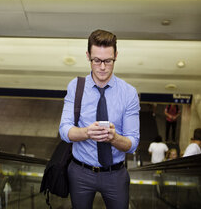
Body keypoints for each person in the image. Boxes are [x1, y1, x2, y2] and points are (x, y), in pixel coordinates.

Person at [59, 29, 140, 209]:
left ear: (116, 56)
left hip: (115, 175)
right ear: (88, 56)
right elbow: (64, 130)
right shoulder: (76, 86)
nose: (102, 67)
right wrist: (86, 132)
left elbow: (133, 143)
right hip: (80, 172)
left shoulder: (129, 93)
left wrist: (114, 138)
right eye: (96, 60)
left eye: (108, 61)